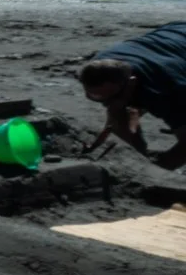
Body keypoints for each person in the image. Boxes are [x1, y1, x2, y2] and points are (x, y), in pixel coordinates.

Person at [80, 22, 186, 169]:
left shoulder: (167, 91)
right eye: (93, 97)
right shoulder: (98, 66)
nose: (105, 102)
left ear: (132, 82)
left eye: (110, 97)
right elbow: (117, 113)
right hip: (173, 33)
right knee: (119, 110)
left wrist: (160, 168)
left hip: (174, 53)